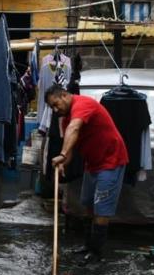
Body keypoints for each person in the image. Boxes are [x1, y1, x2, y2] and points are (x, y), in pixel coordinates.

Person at [45, 83, 128, 265]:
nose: (55, 109)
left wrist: (62, 154)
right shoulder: (66, 120)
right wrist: (63, 162)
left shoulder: (83, 105)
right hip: (93, 164)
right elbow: (71, 145)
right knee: (88, 204)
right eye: (52, 107)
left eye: (56, 104)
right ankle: (88, 245)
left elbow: (75, 128)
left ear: (65, 95)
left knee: (101, 208)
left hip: (111, 161)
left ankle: (96, 253)